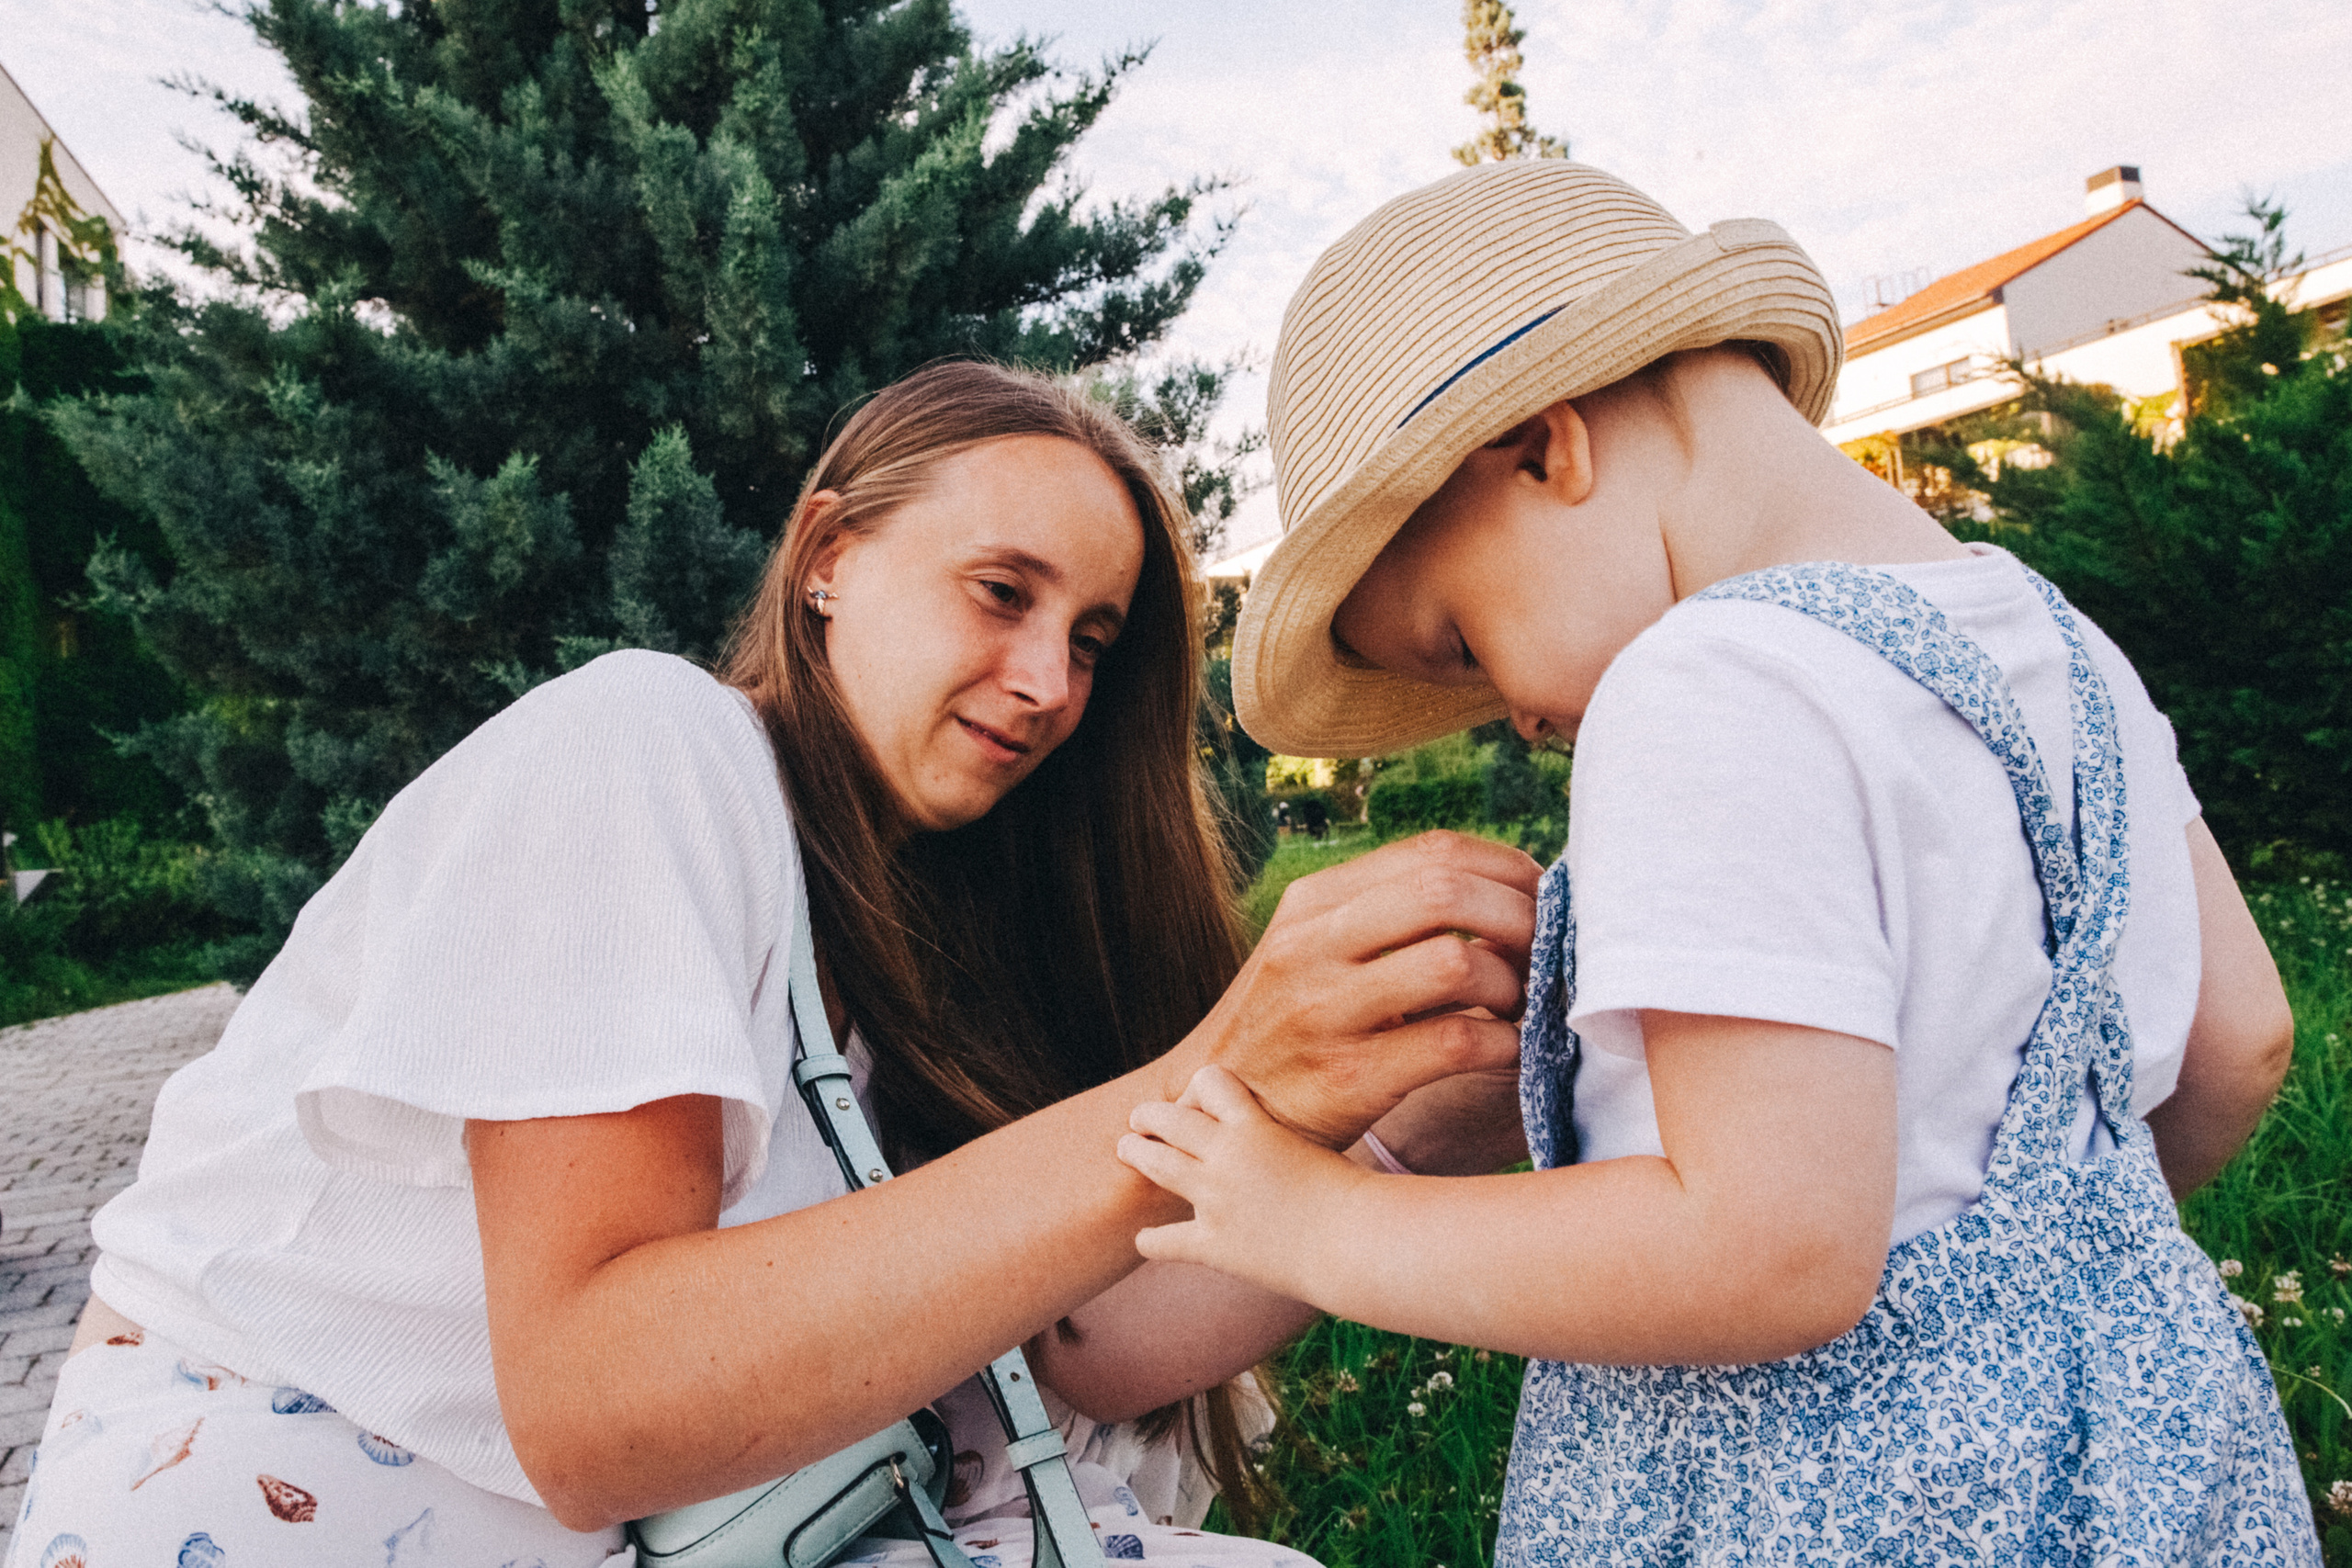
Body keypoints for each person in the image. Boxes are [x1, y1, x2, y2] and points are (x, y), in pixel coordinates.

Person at [9, 362, 1540, 1568]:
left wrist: (1394, 1127)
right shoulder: (646, 747)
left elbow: (1091, 1347)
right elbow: (597, 1405)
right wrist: (1217, 1074)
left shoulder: (902, 912)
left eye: (1092, 640)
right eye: (1002, 594)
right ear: (826, 558)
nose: (1047, 683)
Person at [1116, 162, 2322, 1562]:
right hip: (2153, 1455)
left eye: (1456, 641)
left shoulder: (1701, 683)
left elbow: (1767, 1251)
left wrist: (1316, 1219)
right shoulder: (2061, 642)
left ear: (1544, 448)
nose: (1507, 709)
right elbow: (2242, 1039)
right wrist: (2022, 1296)